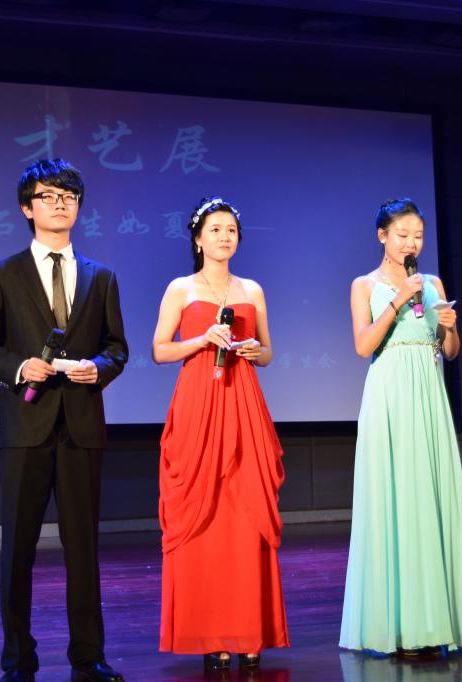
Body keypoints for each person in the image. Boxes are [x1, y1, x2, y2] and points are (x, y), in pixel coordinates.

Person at [0, 159, 128, 682]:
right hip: (25, 425)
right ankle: (18, 659)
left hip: (81, 425)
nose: (60, 204)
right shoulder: (2, 274)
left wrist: (97, 368)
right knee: (17, 550)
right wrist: (19, 368)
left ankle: (89, 656)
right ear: (27, 207)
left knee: (84, 549)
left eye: (69, 197)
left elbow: (117, 348)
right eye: (49, 196)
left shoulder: (102, 276)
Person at [340, 198, 462, 655]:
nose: (411, 243)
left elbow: (450, 351)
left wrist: (450, 328)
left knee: (431, 498)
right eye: (402, 235)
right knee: (397, 498)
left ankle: (435, 622)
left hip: (429, 391)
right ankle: (400, 627)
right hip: (389, 395)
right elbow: (363, 346)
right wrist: (397, 301)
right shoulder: (364, 284)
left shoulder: (433, 283)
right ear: (382, 236)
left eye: (418, 236)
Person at [153, 196, 289, 674]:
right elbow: (160, 350)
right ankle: (210, 635)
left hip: (243, 401)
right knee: (203, 514)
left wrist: (253, 350)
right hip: (199, 402)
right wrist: (200, 340)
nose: (224, 237)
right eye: (215, 229)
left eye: (231, 230)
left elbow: (268, 352)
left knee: (245, 512)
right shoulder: (181, 288)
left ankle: (249, 631)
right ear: (197, 239)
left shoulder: (251, 289)